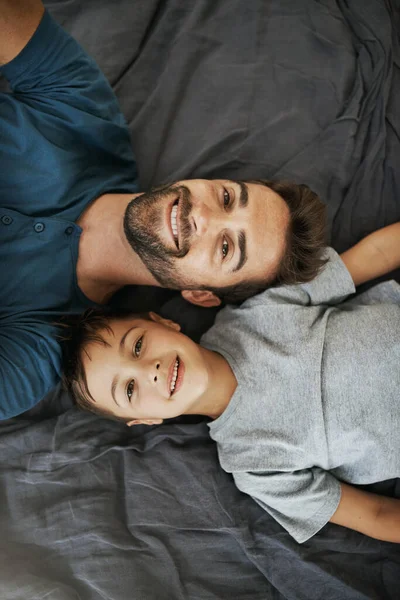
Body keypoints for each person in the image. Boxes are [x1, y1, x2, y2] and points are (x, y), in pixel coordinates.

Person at [0, 0, 326, 419]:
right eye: (227, 198)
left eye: (225, 248)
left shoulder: (43, 346)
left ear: (201, 294)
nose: (203, 217)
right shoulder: (87, 120)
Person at [62, 222, 400, 544]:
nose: (150, 370)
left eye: (137, 345)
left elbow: (375, 255)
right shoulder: (252, 464)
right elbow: (376, 514)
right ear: (147, 421)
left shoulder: (259, 306)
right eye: (130, 389)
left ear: (163, 322)